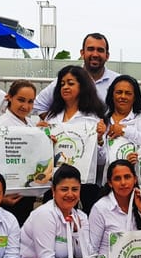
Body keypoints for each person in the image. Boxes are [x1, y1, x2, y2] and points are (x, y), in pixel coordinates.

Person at [39, 65, 106, 213]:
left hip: (84, 187)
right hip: (55, 183)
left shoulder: (94, 119)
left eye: (70, 83)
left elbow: (101, 161)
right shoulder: (51, 117)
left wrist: (100, 140)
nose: (65, 87)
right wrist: (41, 136)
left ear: (82, 87)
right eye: (62, 84)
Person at [0, 80, 40, 224]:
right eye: (21, 100)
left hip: (26, 191)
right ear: (9, 97)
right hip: (8, 194)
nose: (25, 106)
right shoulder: (0, 126)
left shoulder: (31, 123)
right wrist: (1, 196)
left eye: (30, 101)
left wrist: (45, 137)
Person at [32, 32, 121, 114]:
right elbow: (39, 105)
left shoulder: (118, 82)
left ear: (107, 56)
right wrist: (54, 123)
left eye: (100, 50)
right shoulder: (67, 79)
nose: (95, 54)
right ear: (82, 53)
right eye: (90, 49)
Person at [98, 74, 141, 163]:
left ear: (134, 97)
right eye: (119, 92)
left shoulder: (140, 117)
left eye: (128, 93)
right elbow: (101, 162)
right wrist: (100, 140)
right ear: (112, 95)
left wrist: (124, 131)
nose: (123, 96)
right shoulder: (104, 120)